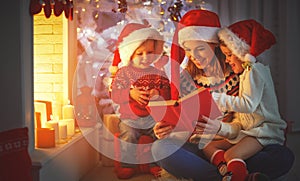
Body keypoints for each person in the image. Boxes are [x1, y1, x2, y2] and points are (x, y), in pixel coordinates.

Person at [151, 9, 294, 181]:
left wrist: (221, 128)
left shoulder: (241, 71)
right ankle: (231, 176)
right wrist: (168, 130)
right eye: (188, 50)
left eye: (201, 49)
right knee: (160, 148)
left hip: (239, 142)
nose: (193, 56)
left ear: (215, 44)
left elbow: (252, 123)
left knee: (282, 156)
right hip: (203, 148)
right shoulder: (185, 78)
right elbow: (184, 120)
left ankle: (223, 174)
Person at [198, 19, 287, 181]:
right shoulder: (245, 74)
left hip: (263, 132)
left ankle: (236, 174)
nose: (227, 60)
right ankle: (226, 171)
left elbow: (248, 105)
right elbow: (243, 117)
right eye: (225, 55)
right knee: (209, 145)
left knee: (232, 154)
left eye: (230, 55)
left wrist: (216, 98)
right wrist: (221, 128)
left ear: (242, 52)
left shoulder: (255, 70)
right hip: (248, 131)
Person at [110, 22, 171, 179]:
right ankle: (126, 165)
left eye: (150, 52)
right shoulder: (124, 73)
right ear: (130, 54)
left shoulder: (158, 73)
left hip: (152, 118)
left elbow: (167, 92)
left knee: (161, 135)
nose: (146, 57)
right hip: (130, 119)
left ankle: (155, 164)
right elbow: (115, 94)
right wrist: (130, 94)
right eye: (140, 53)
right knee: (128, 135)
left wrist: (158, 93)